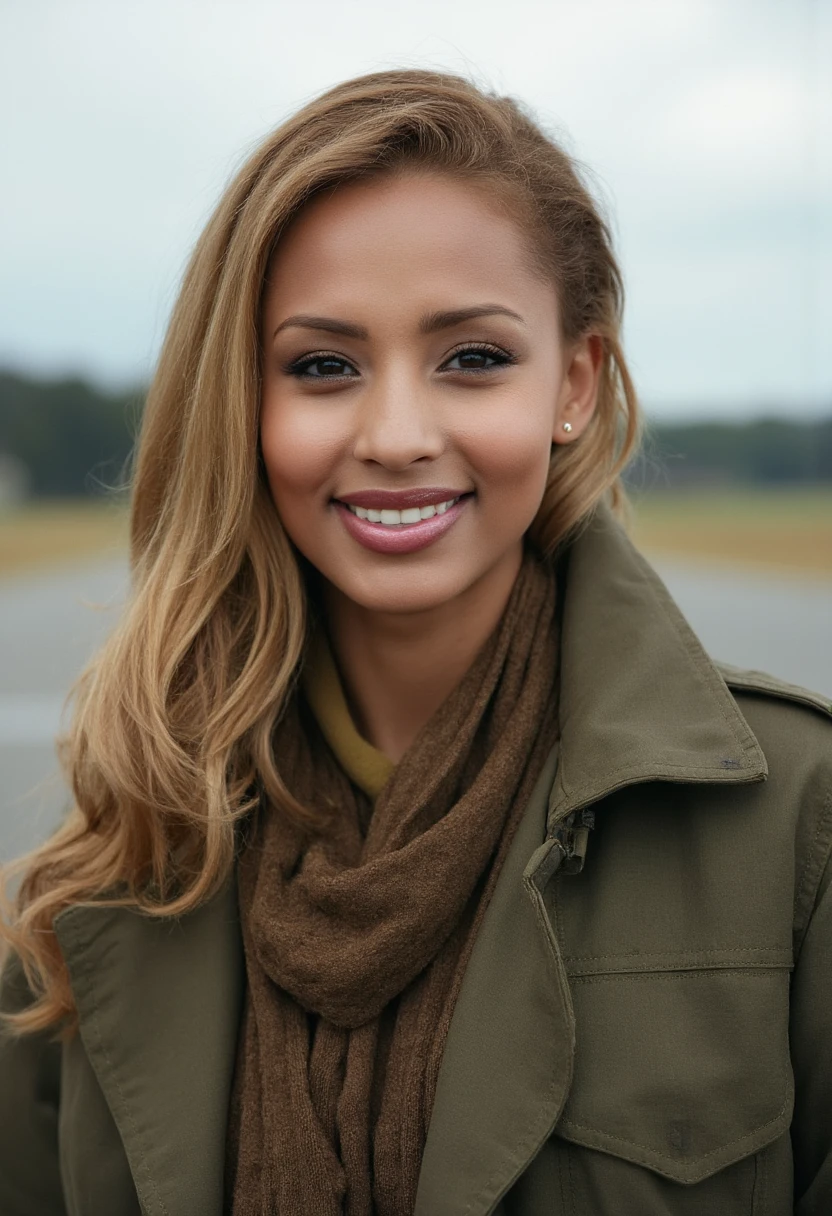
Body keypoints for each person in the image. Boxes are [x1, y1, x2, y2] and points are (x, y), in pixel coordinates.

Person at [0, 68, 829, 1216]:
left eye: (473, 358)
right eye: (322, 365)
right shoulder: (118, 851)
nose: (395, 435)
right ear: (244, 402)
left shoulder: (795, 819)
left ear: (574, 384)